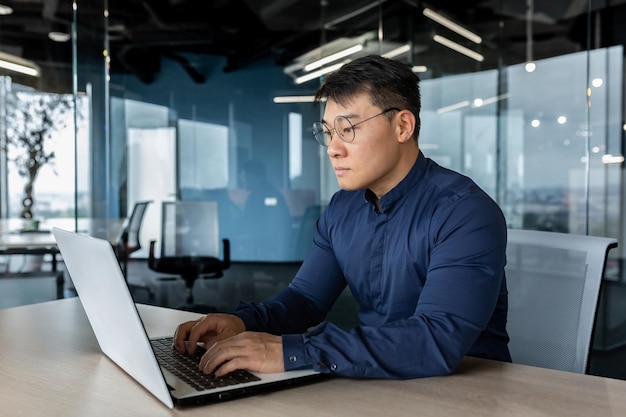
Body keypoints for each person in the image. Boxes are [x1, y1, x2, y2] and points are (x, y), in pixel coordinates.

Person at [174, 54, 511, 379]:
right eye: (328, 132)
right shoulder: (342, 208)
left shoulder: (464, 212)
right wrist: (245, 323)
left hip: (469, 389)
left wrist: (291, 351)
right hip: (378, 380)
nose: (333, 148)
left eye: (347, 129)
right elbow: (305, 301)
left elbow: (436, 340)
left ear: (403, 126)